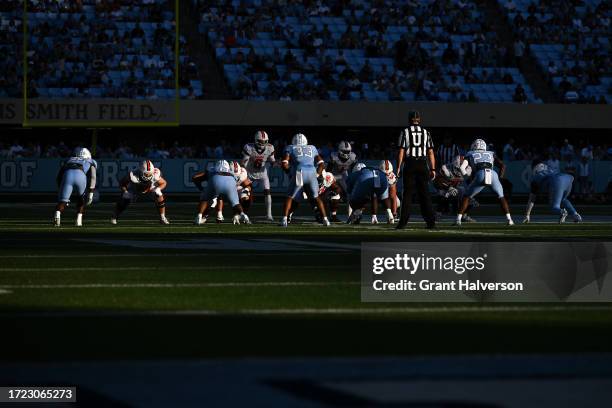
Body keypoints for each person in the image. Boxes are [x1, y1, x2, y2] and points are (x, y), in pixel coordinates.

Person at [455, 139, 514, 226]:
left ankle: (458, 220)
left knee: (467, 197)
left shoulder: (470, 154)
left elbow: (462, 168)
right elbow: (502, 165)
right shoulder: (491, 153)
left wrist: (467, 178)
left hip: (480, 174)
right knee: (501, 197)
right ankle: (509, 220)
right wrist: (500, 178)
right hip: (493, 174)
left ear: (474, 146)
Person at [395, 111, 436, 229]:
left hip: (410, 163)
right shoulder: (426, 132)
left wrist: (398, 167)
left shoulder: (405, 132)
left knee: (407, 194)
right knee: (425, 194)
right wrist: (433, 168)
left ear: (409, 120)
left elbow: (401, 152)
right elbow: (431, 152)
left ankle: (403, 222)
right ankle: (431, 222)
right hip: (422, 163)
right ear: (419, 119)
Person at [280, 133, 330, 227]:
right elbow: (322, 164)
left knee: (290, 196)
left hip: (299, 172)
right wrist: (317, 174)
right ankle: (325, 220)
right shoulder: (312, 147)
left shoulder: (291, 147)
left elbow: (284, 163)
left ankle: (284, 219)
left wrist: (290, 173)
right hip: (311, 172)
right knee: (316, 197)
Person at [111, 160, 169, 225]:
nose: (148, 176)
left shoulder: (155, 174)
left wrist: (158, 189)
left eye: (150, 174)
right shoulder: (133, 174)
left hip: (150, 190)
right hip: (135, 190)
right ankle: (115, 216)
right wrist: (125, 191)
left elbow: (164, 183)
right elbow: (122, 183)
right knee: (126, 196)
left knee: (159, 194)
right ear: (140, 171)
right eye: (146, 174)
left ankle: (162, 217)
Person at [193, 160, 250, 225]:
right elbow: (247, 183)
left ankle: (200, 215)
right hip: (230, 182)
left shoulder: (212, 170)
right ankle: (243, 215)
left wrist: (201, 188)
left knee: (205, 199)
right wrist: (246, 190)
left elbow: (195, 177)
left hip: (215, 180)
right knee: (236, 203)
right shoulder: (233, 172)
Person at [54, 147, 97, 227]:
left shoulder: (69, 159)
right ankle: (79, 220)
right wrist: (91, 192)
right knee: (81, 200)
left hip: (67, 175)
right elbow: (93, 177)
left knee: (62, 201)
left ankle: (57, 214)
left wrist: (60, 189)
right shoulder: (90, 161)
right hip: (80, 174)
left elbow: (59, 176)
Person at [242, 131, 276, 221]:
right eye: (261, 141)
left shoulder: (270, 147)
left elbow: (272, 160)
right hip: (250, 173)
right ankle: (243, 213)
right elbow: (244, 161)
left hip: (262, 173)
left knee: (267, 192)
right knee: (246, 194)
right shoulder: (249, 147)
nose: (263, 143)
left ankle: (269, 214)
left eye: (265, 141)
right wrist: (243, 170)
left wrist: (275, 163)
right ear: (256, 140)